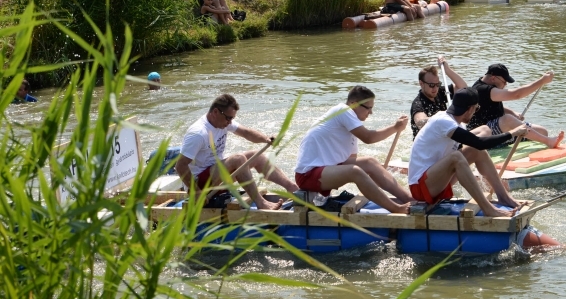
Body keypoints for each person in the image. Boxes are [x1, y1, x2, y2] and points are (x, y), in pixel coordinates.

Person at [408, 87, 536, 219]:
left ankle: (504, 197)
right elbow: (480, 142)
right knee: (457, 157)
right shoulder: (444, 121)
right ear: (470, 109)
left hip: (435, 180)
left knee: (476, 150)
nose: (475, 112)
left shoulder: (452, 120)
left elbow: (477, 145)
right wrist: (512, 133)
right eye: (476, 108)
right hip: (421, 187)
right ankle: (488, 209)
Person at [293, 86, 413, 214]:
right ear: (354, 104)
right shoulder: (343, 110)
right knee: (354, 171)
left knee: (370, 162)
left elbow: (352, 158)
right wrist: (395, 127)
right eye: (368, 108)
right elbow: (368, 138)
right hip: (307, 174)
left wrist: (372, 180)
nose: (371, 112)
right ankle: (396, 208)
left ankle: (410, 199)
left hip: (326, 170)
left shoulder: (351, 126)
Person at [175, 94, 298, 210]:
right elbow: (180, 166)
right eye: (228, 118)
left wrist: (265, 139)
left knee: (257, 156)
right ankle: (262, 203)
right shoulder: (198, 133)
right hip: (200, 182)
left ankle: (292, 188)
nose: (230, 122)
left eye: (232, 118)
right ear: (215, 112)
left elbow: (245, 132)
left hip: (216, 176)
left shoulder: (222, 122)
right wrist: (196, 193)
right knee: (238, 158)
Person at [467, 64, 565, 148]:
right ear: (493, 78)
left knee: (542, 131)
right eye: (504, 82)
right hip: (483, 135)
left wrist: (513, 113)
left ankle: (538, 140)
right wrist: (541, 81)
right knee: (508, 119)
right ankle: (549, 142)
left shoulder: (488, 87)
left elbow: (491, 108)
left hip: (499, 131)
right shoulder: (482, 89)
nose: (505, 85)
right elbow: (516, 94)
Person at [410, 57, 468, 138]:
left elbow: (463, 88)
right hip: (427, 144)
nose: (435, 88)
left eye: (438, 84)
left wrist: (447, 70)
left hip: (442, 136)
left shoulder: (440, 92)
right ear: (421, 84)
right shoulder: (418, 103)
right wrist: (444, 118)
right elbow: (420, 122)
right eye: (431, 85)